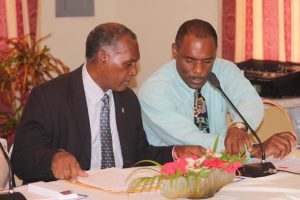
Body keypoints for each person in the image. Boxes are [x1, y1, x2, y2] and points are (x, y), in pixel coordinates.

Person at [11, 23, 206, 184]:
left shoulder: (128, 99)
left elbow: (139, 154)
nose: (134, 72)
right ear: (103, 57)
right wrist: (53, 158)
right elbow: (21, 158)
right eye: (128, 64)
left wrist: (174, 152)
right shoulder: (50, 96)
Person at [139, 19, 297, 159]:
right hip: (169, 177)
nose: (199, 70)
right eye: (190, 60)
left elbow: (250, 101)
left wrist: (239, 126)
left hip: (223, 171)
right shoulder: (154, 91)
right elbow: (193, 140)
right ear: (175, 50)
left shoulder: (224, 69)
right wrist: (253, 150)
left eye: (208, 61)